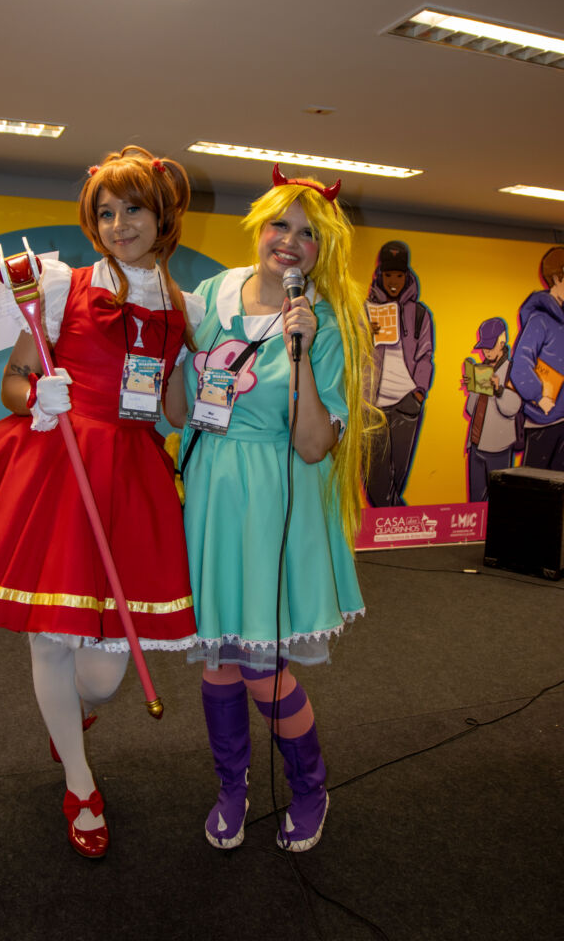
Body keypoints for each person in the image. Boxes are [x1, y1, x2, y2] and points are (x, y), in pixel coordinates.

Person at [0, 146, 202, 858]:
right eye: (105, 212)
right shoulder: (61, 286)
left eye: (133, 209)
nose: (119, 224)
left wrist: (205, 383)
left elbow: (176, 411)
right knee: (55, 636)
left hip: (131, 477)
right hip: (57, 462)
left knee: (105, 668)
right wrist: (39, 396)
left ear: (163, 215)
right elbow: (11, 382)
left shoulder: (181, 306)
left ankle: (75, 716)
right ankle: (81, 783)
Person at [166, 166, 375, 853]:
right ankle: (232, 786)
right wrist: (165, 349)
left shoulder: (326, 321)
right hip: (210, 497)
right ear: (259, 227)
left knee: (264, 666)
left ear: (324, 251)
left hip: (276, 498)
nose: (290, 242)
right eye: (280, 225)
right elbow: (177, 410)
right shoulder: (207, 294)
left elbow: (316, 444)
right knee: (219, 662)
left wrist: (305, 350)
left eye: (309, 235)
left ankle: (309, 787)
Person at [364, 240, 434, 507]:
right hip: (371, 406)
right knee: (375, 478)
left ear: (407, 276)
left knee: (398, 474)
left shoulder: (419, 314)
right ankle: (395, 521)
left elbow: (425, 355)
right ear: (380, 276)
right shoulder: (364, 310)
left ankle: (393, 530)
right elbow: (355, 356)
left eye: (399, 275)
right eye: (389, 274)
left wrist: (418, 392)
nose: (394, 281)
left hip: (407, 402)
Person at [510, 246, 564, 470]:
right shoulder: (540, 319)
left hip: (562, 418)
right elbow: (520, 365)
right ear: (557, 278)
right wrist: (538, 397)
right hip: (543, 419)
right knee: (535, 486)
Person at [462, 317, 521, 500]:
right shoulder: (481, 369)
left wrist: (499, 390)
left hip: (499, 448)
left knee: (499, 500)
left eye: (490, 347)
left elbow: (514, 407)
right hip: (476, 444)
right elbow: (471, 411)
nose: (486, 352)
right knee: (475, 501)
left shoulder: (513, 369)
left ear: (502, 343)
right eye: (484, 348)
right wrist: (472, 388)